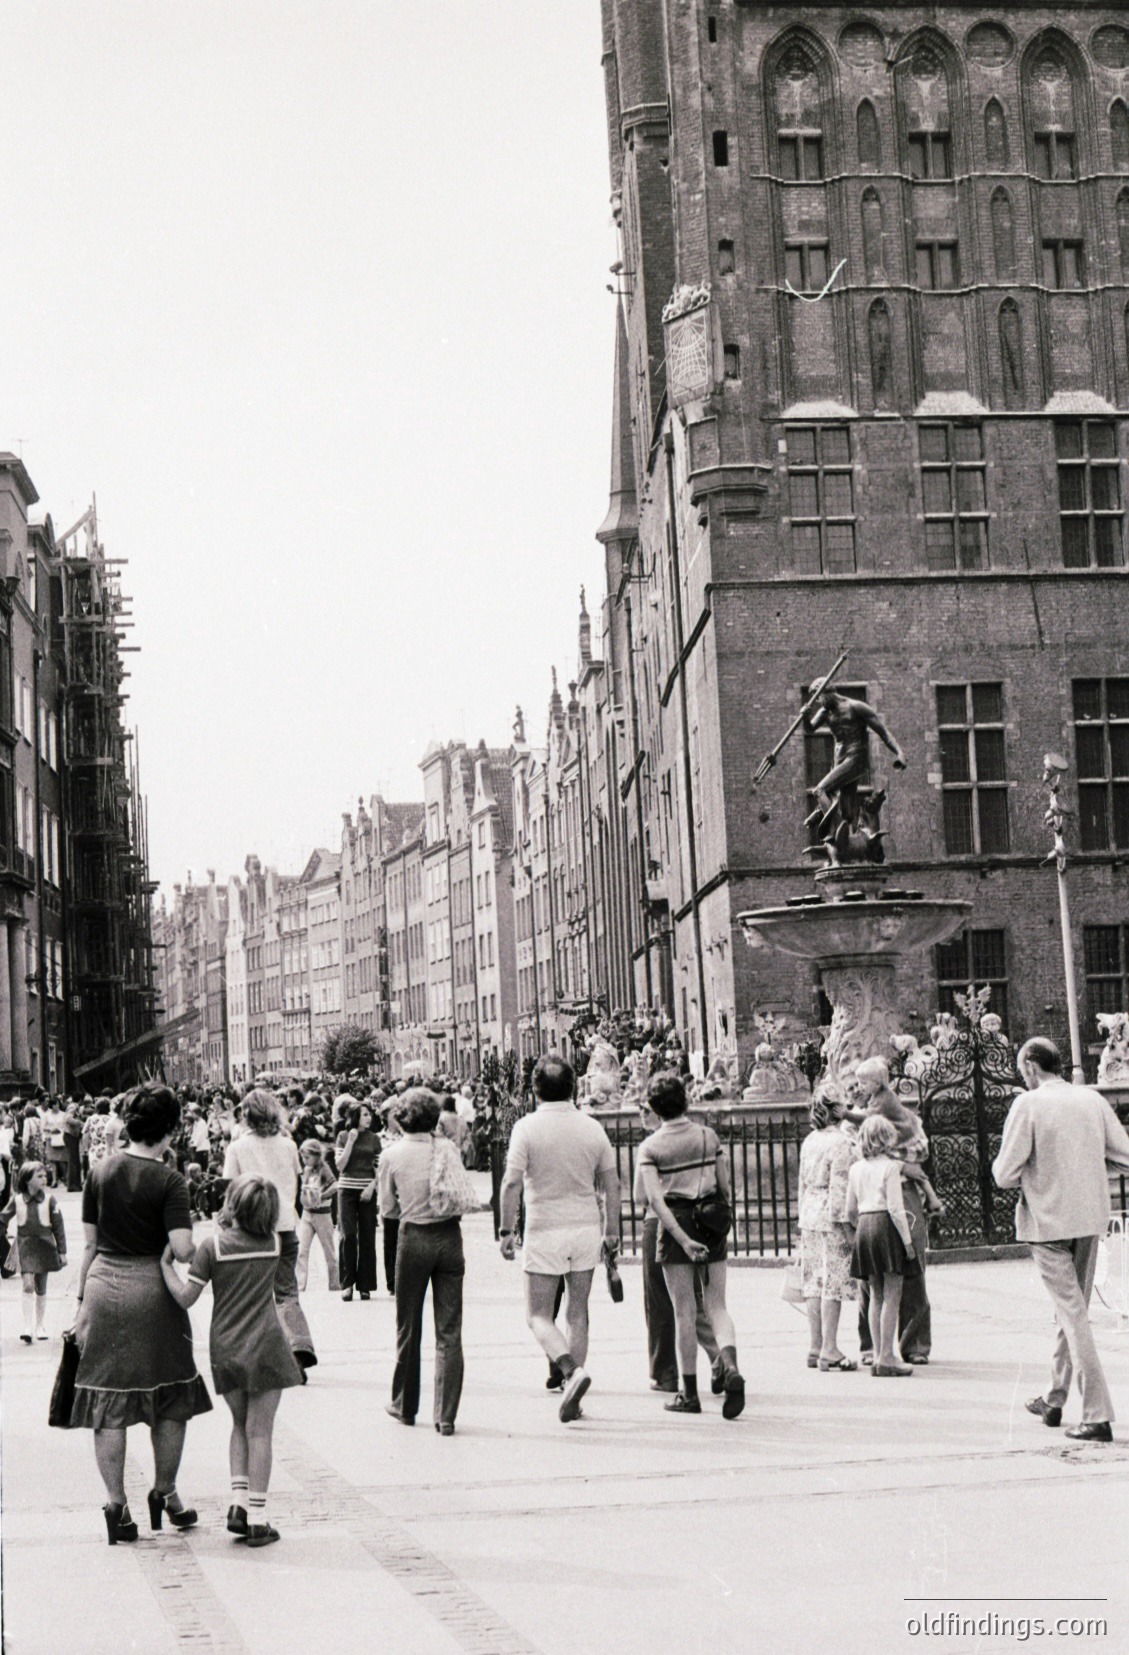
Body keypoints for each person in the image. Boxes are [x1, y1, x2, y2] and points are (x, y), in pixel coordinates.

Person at [72, 1085, 212, 1544]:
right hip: (152, 1292)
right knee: (170, 1400)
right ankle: (164, 1491)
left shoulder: (100, 1170)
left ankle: (117, 1506)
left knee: (108, 1403)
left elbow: (90, 1245)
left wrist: (80, 1304)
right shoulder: (171, 1180)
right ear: (170, 1130)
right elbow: (183, 1249)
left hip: (103, 1287)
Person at [993, 1036, 1129, 1442]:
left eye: (1022, 1072)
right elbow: (1124, 1155)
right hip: (1089, 1219)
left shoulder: (1028, 1104)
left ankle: (1097, 1412)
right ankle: (1055, 1398)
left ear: (1032, 1068)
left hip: (1048, 1223)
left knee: (1072, 1314)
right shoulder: (1091, 1100)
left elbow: (1003, 1173)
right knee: (1071, 1310)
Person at [162, 1175, 302, 1547]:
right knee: (261, 1432)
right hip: (268, 1346)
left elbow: (185, 1298)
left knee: (239, 1425)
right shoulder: (275, 1243)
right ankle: (258, 1517)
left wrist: (165, 1268)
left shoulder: (213, 1247)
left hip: (226, 1347)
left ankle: (238, 1505)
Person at [499, 1056, 620, 1423]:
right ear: (573, 1086)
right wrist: (611, 1230)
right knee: (578, 1312)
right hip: (585, 1227)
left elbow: (511, 1182)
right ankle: (574, 1393)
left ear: (535, 1089)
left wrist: (506, 1230)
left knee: (537, 1315)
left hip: (544, 1227)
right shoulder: (592, 1128)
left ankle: (570, 1371)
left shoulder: (526, 1128)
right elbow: (612, 1184)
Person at [637, 1073, 745, 1418]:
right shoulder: (707, 1135)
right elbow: (724, 1186)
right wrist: (723, 1222)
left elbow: (655, 1201)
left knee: (683, 1311)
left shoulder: (651, 1147)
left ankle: (689, 1393)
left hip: (676, 1225)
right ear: (685, 1101)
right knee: (717, 1305)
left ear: (655, 1108)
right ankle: (729, 1364)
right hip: (710, 1220)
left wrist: (682, 1240)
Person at [379, 1088, 467, 1434]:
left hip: (413, 1237)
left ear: (401, 1117)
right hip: (449, 1237)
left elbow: (387, 1208)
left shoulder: (391, 1155)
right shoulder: (447, 1149)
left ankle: (404, 1404)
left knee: (408, 1325)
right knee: (449, 1330)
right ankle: (445, 1415)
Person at [851, 1057, 939, 1366]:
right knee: (873, 1278)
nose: (858, 1088)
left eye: (863, 1083)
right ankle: (873, 1345)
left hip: (901, 1192)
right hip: (880, 1197)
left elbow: (914, 1152)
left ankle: (912, 1343)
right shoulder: (864, 1112)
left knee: (908, 1268)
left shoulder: (888, 1108)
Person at [633, 1095, 722, 1395]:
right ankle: (719, 1355)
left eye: (646, 1110)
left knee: (660, 1302)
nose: (641, 1115)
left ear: (659, 1114)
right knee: (691, 1301)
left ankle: (665, 1372)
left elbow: (640, 1197)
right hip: (696, 1221)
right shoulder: (700, 1138)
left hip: (659, 1223)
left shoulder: (650, 1147)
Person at [223, 1089, 315, 1373]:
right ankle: (298, 1345)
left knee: (254, 1296)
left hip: (251, 1228)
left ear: (246, 1115)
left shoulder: (237, 1147)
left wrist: (226, 1222)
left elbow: (230, 1189)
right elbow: (295, 1182)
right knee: (286, 1292)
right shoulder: (288, 1144)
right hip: (286, 1224)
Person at [846, 1115, 919, 1377]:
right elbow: (896, 1208)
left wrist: (859, 1233)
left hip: (865, 1226)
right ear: (884, 1139)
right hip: (886, 1225)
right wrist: (907, 1242)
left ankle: (878, 1354)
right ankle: (888, 1356)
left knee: (874, 1294)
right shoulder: (890, 1167)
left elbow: (849, 1211)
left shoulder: (855, 1169)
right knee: (893, 1293)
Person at [797, 1086, 859, 1371]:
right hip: (829, 1216)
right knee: (833, 1282)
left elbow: (801, 1183)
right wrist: (848, 1228)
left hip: (809, 1212)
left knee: (813, 1282)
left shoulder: (810, 1139)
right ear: (837, 1109)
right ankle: (830, 1348)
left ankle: (815, 1344)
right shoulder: (842, 1142)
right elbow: (840, 1189)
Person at [2, 1160, 67, 1341]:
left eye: (45, 1175)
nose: (44, 1179)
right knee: (28, 1284)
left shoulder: (49, 1201)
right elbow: (3, 1218)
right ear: (27, 1179)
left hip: (45, 1246)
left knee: (41, 1286)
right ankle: (27, 1326)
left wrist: (62, 1252)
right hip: (25, 1247)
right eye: (39, 1176)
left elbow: (58, 1227)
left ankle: (40, 1325)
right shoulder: (16, 1200)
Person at [335, 1099, 380, 1301]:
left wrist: (372, 1186)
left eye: (370, 1114)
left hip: (367, 1190)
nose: (368, 1118)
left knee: (367, 1236)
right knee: (348, 1235)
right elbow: (340, 1166)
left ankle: (365, 1284)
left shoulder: (374, 1139)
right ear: (355, 1117)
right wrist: (351, 1143)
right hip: (346, 1190)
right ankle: (347, 1283)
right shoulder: (343, 1136)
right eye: (364, 1115)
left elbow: (379, 1168)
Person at [296, 1139, 339, 1292]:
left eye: (307, 1157)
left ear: (316, 1156)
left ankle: (335, 1285)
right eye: (303, 1158)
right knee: (301, 1249)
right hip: (307, 1214)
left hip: (322, 1215)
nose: (304, 1161)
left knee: (329, 1251)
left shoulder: (324, 1168)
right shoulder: (307, 1170)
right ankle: (300, 1286)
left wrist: (322, 1196)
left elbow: (335, 1185)